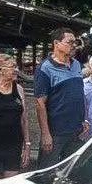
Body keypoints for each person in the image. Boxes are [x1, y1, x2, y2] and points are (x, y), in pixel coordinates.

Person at [34, 28, 83, 164]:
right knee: (47, 172)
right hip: (55, 132)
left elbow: (79, 94)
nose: (74, 45)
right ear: (56, 43)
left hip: (76, 131)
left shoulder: (76, 65)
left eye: (75, 42)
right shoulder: (45, 68)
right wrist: (45, 134)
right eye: (70, 42)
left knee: (71, 171)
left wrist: (83, 119)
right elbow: (40, 103)